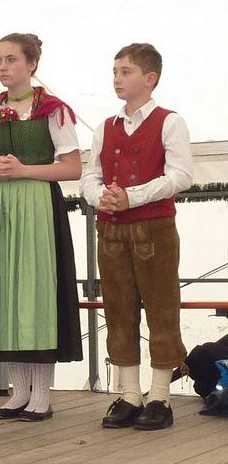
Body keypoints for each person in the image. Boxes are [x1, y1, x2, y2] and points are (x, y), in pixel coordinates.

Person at [0, 33, 83, 422]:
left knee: (35, 293)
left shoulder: (53, 110)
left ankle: (41, 394)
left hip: (36, 207)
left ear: (31, 64)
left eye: (11, 59)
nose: (3, 67)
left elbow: (72, 168)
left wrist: (23, 170)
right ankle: (19, 391)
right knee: (5, 293)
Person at [81, 43, 193, 430]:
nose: (117, 78)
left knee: (161, 308)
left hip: (154, 227)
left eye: (125, 71)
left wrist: (132, 196)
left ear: (150, 78)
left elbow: (181, 176)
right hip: (111, 226)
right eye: (115, 71)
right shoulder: (105, 126)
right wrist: (101, 196)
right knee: (118, 309)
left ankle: (160, 397)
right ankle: (129, 395)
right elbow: (90, 175)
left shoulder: (169, 121)